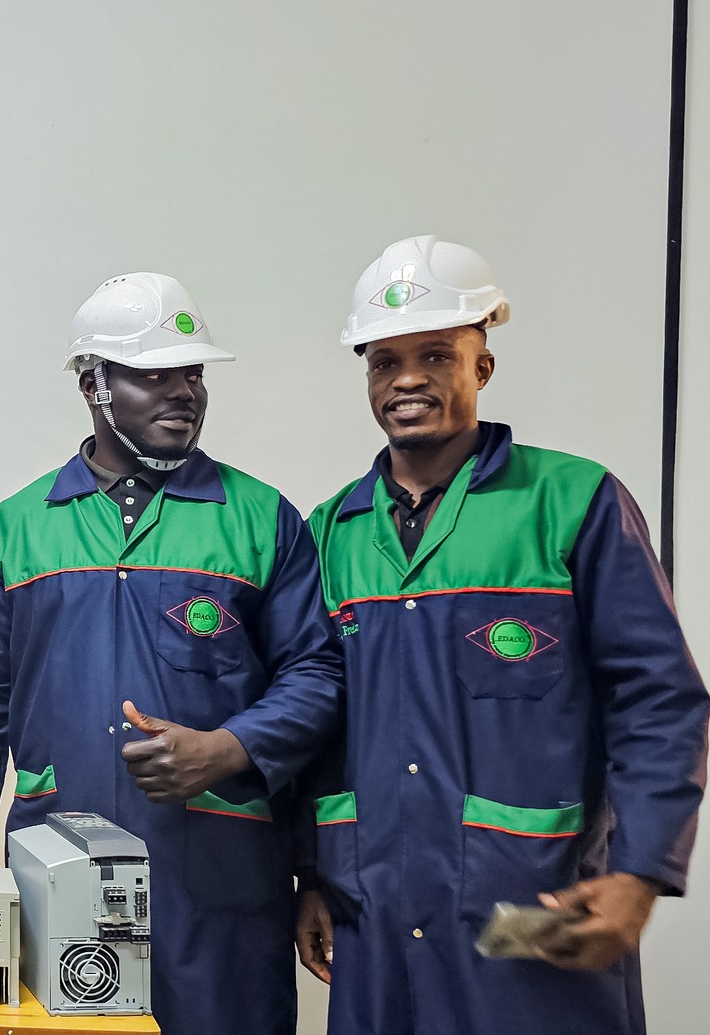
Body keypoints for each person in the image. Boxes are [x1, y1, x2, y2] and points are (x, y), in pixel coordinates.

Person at [296, 236, 709, 1035]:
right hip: (373, 909)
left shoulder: (572, 501)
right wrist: (309, 873)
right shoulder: (329, 532)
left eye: (436, 354)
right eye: (384, 360)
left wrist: (640, 872)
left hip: (532, 902)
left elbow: (658, 700)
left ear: (481, 366)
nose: (407, 379)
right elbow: (318, 722)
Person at [0, 273, 344, 1035]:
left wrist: (229, 748)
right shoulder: (19, 526)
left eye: (191, 373)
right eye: (153, 374)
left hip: (219, 869)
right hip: (58, 859)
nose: (182, 391)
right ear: (93, 382)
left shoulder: (260, 518)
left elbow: (317, 675)